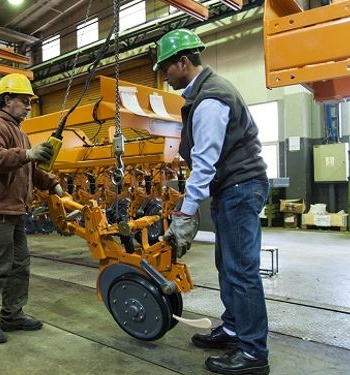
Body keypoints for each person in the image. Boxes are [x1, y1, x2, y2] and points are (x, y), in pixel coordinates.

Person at [155, 29, 270, 375]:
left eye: (166, 68)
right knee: (229, 266)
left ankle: (252, 352)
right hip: (233, 188)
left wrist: (185, 214)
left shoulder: (209, 100)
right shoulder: (205, 93)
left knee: (242, 271)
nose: (165, 76)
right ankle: (235, 329)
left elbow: (205, 163)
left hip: (239, 187)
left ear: (183, 62)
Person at [0, 73, 64, 344]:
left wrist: (52, 184)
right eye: (24, 101)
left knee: (20, 264)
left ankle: (11, 314)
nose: (29, 106)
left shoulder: (19, 131)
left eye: (30, 102)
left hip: (14, 210)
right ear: (7, 99)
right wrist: (27, 154)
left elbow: (31, 167)